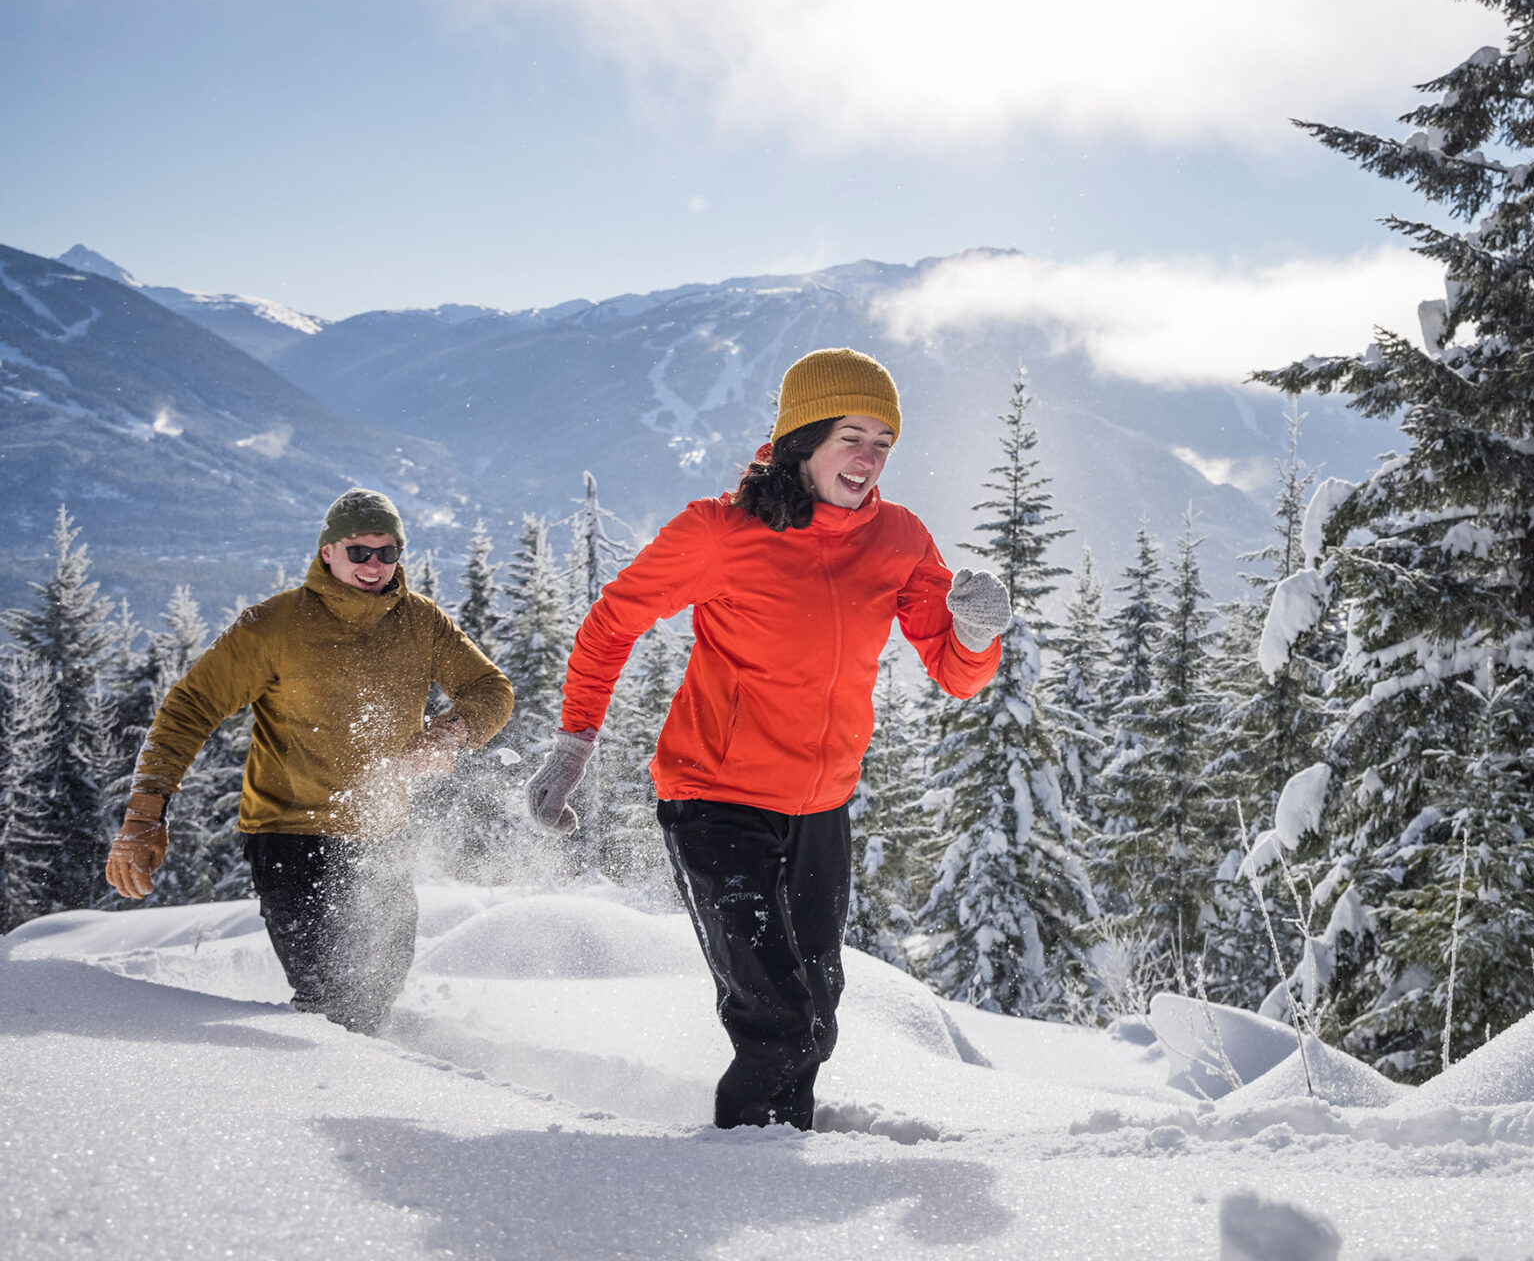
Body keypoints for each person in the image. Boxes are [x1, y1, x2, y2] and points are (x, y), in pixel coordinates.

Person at [526, 347, 1011, 1130]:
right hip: (716, 804)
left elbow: (954, 672)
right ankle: (740, 1175)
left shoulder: (898, 539)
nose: (870, 456)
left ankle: (781, 1164)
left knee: (815, 1014)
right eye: (852, 434)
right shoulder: (722, 533)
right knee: (779, 1023)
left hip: (822, 809)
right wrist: (576, 738)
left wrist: (977, 632)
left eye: (884, 440)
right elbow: (614, 620)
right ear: (803, 436)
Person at [104, 488, 514, 1034]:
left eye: (386, 552)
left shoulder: (421, 622)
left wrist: (450, 734)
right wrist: (144, 813)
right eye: (358, 552)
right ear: (327, 552)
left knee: (376, 992)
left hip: (381, 834)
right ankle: (313, 1095)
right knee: (331, 996)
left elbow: (491, 688)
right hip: (289, 834)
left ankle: (359, 1094)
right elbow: (189, 707)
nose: (373, 565)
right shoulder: (275, 625)